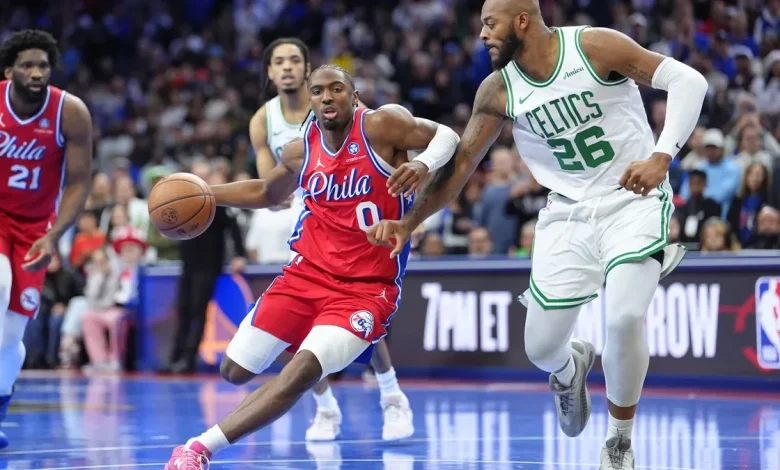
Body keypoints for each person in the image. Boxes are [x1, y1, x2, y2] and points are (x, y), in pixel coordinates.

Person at [366, 1, 707, 468]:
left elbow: (689, 80)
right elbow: (462, 165)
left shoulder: (592, 45)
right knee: (542, 349)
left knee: (625, 318)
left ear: (521, 21)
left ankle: (619, 442)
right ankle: (570, 369)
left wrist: (662, 155)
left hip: (632, 198)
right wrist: (409, 222)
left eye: (490, 24)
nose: (483, 35)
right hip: (566, 213)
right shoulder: (498, 90)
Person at [164, 64, 458, 469]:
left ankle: (199, 448)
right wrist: (204, 195)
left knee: (303, 368)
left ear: (353, 97)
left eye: (336, 89)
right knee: (234, 370)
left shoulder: (382, 125)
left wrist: (424, 165)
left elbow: (449, 135)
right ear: (311, 99)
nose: (326, 97)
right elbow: (268, 191)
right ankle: (335, 405)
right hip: (305, 275)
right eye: (318, 91)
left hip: (365, 288)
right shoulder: (300, 150)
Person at [247, 38, 414, 441]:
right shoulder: (262, 120)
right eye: (278, 62)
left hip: (353, 213)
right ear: (269, 73)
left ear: (307, 71)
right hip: (300, 217)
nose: (287, 68)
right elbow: (269, 187)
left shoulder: (330, 105)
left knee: (356, 312)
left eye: (294, 61)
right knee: (295, 321)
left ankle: (391, 395)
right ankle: (324, 407)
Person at [0, 29, 93, 448]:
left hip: (36, 229)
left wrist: (55, 236)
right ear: (9, 71)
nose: (36, 72)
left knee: (10, 337)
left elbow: (77, 184)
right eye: (27, 65)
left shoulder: (70, 112)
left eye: (42, 66)